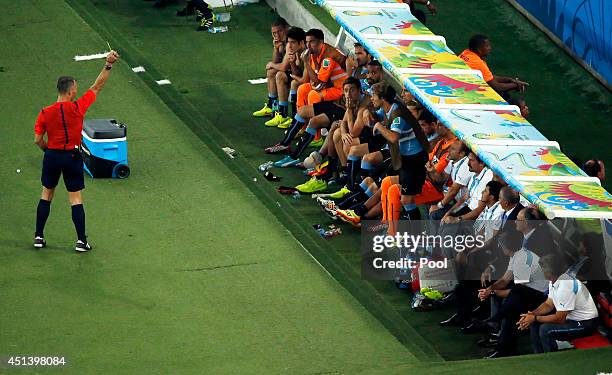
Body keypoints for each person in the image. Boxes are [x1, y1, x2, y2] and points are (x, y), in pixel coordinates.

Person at [33, 50, 120, 252]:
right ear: (71, 92)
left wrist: (47, 150)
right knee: (75, 198)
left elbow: (37, 139)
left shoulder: (45, 112)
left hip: (52, 156)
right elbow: (97, 86)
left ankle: (38, 236)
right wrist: (108, 65)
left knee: (46, 194)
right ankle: (81, 241)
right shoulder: (78, 108)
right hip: (72, 157)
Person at [478, 230, 548, 358]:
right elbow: (505, 279)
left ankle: (498, 333)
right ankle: (502, 344)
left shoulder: (523, 260)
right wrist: (490, 289)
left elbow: (517, 291)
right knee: (509, 307)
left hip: (540, 296)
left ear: (506, 246)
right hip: (527, 293)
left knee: (511, 305)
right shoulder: (517, 255)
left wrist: (493, 292)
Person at [517, 255, 599, 353]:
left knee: (545, 329)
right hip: (573, 320)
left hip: (586, 324)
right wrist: (532, 315)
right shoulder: (554, 280)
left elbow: (560, 318)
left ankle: (552, 360)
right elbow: (548, 304)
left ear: (548, 272)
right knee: (535, 323)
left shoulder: (566, 285)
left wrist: (535, 318)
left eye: (542, 269)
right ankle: (539, 357)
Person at [459, 35, 529, 98]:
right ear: (479, 49)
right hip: (465, 90)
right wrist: (516, 85)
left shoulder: (466, 53)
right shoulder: (479, 63)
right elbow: (497, 87)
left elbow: (489, 77)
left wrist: (509, 80)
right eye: (487, 46)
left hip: (460, 83)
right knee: (505, 96)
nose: (490, 48)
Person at [264, 27, 306, 128]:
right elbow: (295, 71)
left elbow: (304, 78)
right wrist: (291, 62)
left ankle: (294, 119)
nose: (289, 45)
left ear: (301, 43)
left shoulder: (306, 53)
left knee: (293, 83)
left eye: (293, 42)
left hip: (310, 80)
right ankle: (280, 113)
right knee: (278, 75)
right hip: (301, 76)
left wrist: (271, 64)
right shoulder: (292, 49)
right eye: (289, 42)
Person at [252, 18, 290, 118]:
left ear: (286, 28)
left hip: (303, 73)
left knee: (279, 75)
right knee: (271, 72)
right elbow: (276, 61)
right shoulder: (282, 41)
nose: (277, 35)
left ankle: (282, 114)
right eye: (274, 33)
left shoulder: (291, 40)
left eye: (280, 31)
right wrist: (276, 48)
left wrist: (272, 65)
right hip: (294, 70)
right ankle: (273, 108)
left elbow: (283, 66)